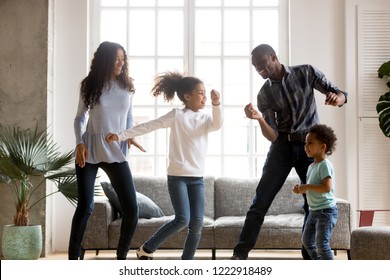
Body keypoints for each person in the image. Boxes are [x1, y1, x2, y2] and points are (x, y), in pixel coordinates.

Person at [230, 44, 348, 260]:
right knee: (260, 201)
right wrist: (258, 119)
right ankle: (240, 254)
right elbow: (273, 135)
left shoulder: (306, 72)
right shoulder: (264, 93)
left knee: (311, 202)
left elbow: (339, 93)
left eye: (262, 64)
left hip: (310, 146)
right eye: (255, 67)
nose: (259, 70)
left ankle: (309, 253)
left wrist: (336, 99)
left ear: (274, 57)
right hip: (282, 147)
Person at [106, 71, 223, 260]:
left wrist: (217, 104)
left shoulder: (205, 119)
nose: (204, 96)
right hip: (177, 178)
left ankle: (186, 264)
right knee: (182, 219)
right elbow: (149, 126)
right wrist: (120, 135)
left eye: (205, 92)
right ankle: (147, 248)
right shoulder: (177, 115)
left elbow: (217, 124)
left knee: (197, 224)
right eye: (200, 92)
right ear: (187, 96)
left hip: (197, 179)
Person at [68, 41, 145, 260]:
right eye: (116, 58)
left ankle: (121, 258)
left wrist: (129, 136)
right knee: (85, 206)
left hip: (115, 148)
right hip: (89, 150)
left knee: (132, 209)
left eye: (123, 58)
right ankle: (73, 257)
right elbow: (79, 118)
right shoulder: (90, 84)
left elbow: (129, 117)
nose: (121, 62)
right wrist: (79, 143)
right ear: (105, 59)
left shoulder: (127, 85)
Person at [292, 124, 338, 260]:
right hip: (314, 211)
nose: (306, 147)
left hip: (325, 212)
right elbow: (313, 188)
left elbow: (326, 188)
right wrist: (300, 189)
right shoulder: (312, 166)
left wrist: (306, 187)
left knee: (322, 245)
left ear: (323, 147)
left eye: (310, 143)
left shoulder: (325, 165)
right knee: (307, 241)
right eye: (305, 143)